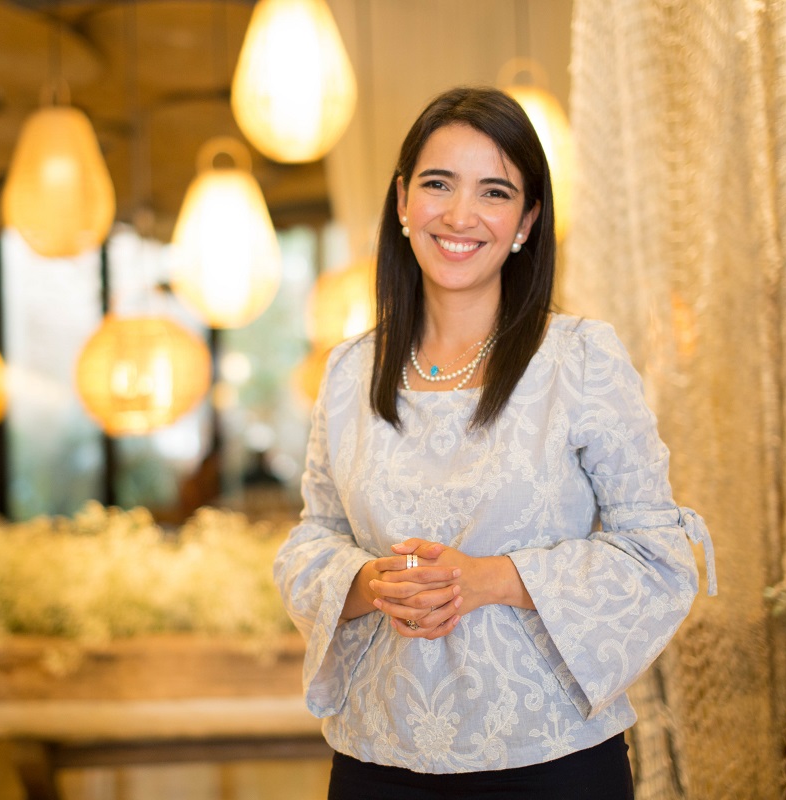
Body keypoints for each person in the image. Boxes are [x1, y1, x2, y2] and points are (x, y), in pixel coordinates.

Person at [273, 86, 717, 800]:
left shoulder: (580, 358)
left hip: (553, 763)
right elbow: (312, 537)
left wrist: (487, 580)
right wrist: (366, 583)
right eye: (438, 184)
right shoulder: (351, 368)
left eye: (494, 192)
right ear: (401, 202)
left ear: (526, 221)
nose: (459, 215)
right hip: (376, 760)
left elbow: (657, 552)